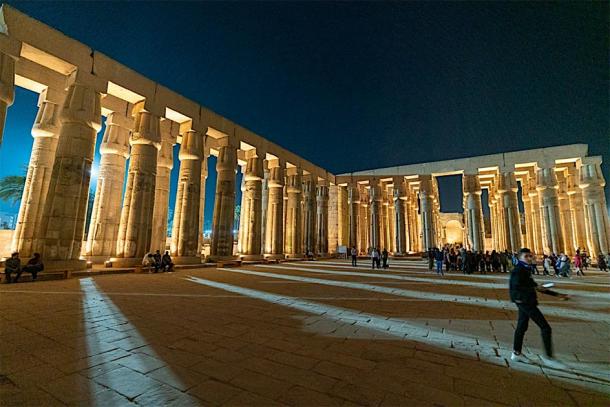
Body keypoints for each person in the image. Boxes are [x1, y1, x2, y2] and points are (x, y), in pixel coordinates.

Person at [509, 248, 568, 369]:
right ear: (519, 258)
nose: (530, 258)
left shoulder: (525, 269)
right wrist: (521, 298)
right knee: (545, 327)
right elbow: (515, 288)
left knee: (522, 327)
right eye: (526, 256)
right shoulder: (519, 270)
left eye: (530, 256)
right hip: (525, 302)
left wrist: (557, 295)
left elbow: (536, 287)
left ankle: (516, 353)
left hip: (525, 302)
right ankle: (549, 358)